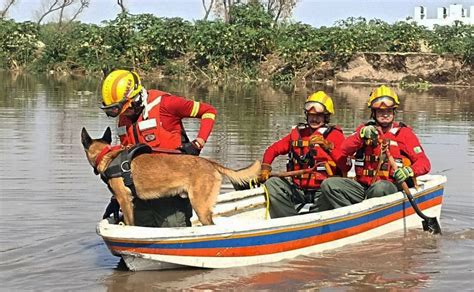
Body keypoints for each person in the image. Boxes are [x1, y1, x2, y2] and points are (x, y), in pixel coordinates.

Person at [100, 69, 217, 227]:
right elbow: (125, 161)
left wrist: (198, 143)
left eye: (125, 108)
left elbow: (208, 111)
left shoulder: (166, 104)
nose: (124, 114)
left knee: (174, 229)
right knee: (139, 231)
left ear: (136, 98)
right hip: (142, 193)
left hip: (173, 187)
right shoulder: (124, 119)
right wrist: (116, 198)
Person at [314, 85, 431, 212]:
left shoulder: (404, 134)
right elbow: (344, 149)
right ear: (373, 113)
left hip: (390, 187)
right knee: (329, 184)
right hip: (363, 187)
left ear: (394, 112)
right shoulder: (363, 131)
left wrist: (409, 171)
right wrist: (360, 136)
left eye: (388, 111)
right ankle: (350, 213)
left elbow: (424, 163)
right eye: (380, 112)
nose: (385, 115)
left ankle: (365, 215)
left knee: (380, 187)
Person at [258, 91, 351, 218]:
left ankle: (315, 218)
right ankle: (289, 219)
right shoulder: (297, 134)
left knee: (329, 190)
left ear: (326, 117)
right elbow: (272, 150)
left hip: (322, 192)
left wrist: (328, 147)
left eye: (318, 115)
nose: (314, 119)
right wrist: (265, 168)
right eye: (311, 115)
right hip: (298, 190)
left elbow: (346, 166)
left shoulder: (335, 135)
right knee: (272, 183)